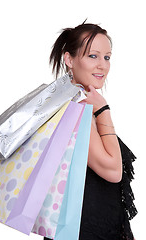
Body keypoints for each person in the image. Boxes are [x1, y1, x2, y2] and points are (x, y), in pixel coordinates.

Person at [44, 21, 137, 240]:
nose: (102, 65)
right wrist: (103, 109)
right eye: (93, 56)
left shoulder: (82, 106)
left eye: (107, 57)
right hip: (83, 232)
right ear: (69, 60)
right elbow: (113, 172)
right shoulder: (73, 111)